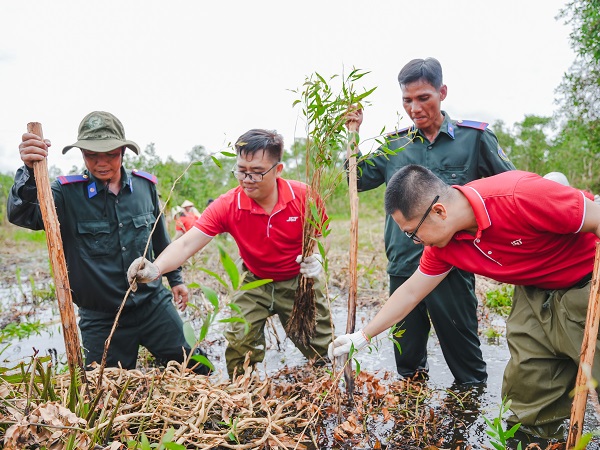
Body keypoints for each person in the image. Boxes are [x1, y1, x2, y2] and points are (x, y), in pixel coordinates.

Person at [329, 164, 600, 439]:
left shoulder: (519, 196)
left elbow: (597, 218)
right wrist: (362, 336)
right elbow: (411, 291)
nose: (414, 242)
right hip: (533, 292)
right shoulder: (444, 246)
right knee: (528, 389)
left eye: (413, 233)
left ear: (438, 211)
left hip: (587, 285)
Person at [344, 57, 515, 384]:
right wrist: (354, 135)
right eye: (407, 100)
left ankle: (469, 419)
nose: (414, 107)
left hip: (452, 266)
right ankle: (414, 419)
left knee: (466, 363)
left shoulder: (474, 139)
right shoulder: (395, 144)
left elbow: (508, 187)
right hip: (404, 265)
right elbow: (356, 179)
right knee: (407, 362)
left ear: (442, 92)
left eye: (424, 98)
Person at [7, 111, 208, 374]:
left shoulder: (145, 186)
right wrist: (31, 172)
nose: (101, 163)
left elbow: (159, 236)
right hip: (102, 317)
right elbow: (22, 214)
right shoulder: (65, 193)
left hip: (153, 305)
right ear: (82, 155)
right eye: (92, 155)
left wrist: (177, 279)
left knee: (197, 367)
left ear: (123, 151)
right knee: (105, 390)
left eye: (110, 154)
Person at [127, 128, 332, 378]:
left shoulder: (303, 195)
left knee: (321, 344)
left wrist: (318, 258)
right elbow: (186, 244)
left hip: (298, 279)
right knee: (240, 342)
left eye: (257, 172)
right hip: (254, 280)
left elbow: (323, 233)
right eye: (241, 170)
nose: (247, 179)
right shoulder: (228, 204)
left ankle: (328, 385)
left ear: (278, 170)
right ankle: (241, 391)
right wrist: (156, 268)